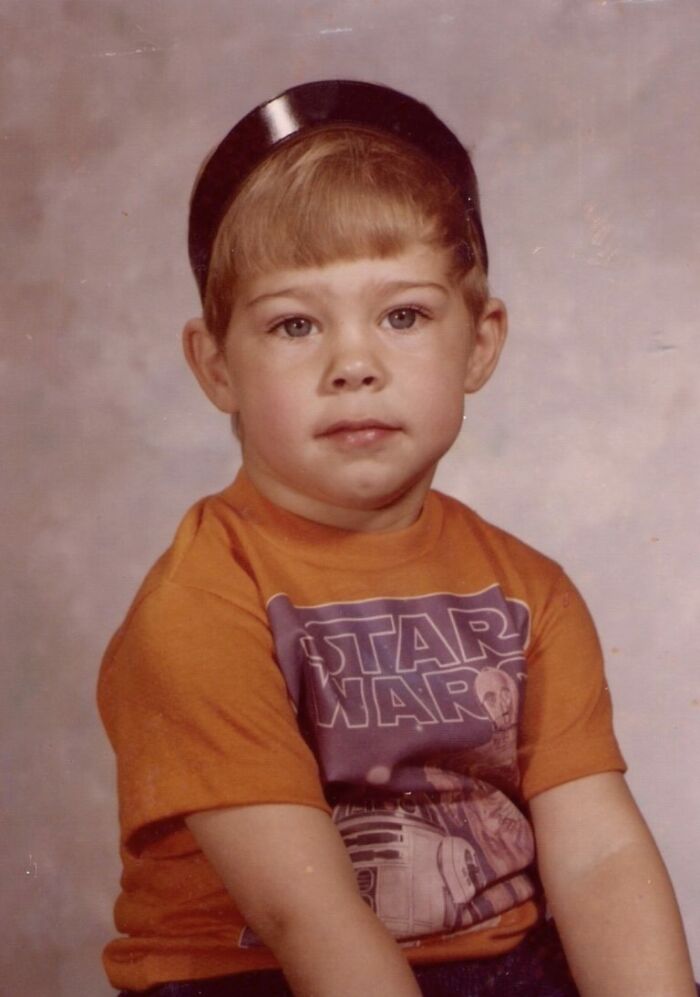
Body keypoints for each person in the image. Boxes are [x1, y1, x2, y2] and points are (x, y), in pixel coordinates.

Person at [98, 80, 697, 997]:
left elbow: (600, 857)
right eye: (295, 324)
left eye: (404, 315)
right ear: (217, 365)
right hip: (265, 971)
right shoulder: (202, 602)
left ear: (481, 341)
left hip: (499, 965)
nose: (354, 364)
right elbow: (309, 914)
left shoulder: (528, 590)